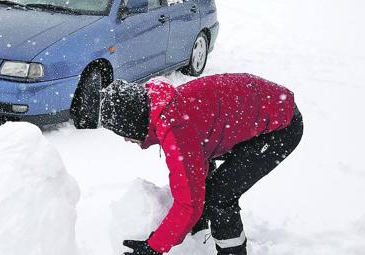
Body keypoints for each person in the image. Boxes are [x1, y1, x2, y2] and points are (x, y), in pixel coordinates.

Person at [100, 73, 303, 255]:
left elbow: (188, 204)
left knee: (220, 196)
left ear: (134, 123)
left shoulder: (175, 128)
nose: (126, 140)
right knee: (201, 179)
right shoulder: (162, 104)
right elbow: (193, 173)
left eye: (123, 134)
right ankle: (199, 233)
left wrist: (154, 247)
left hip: (280, 127)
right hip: (256, 109)